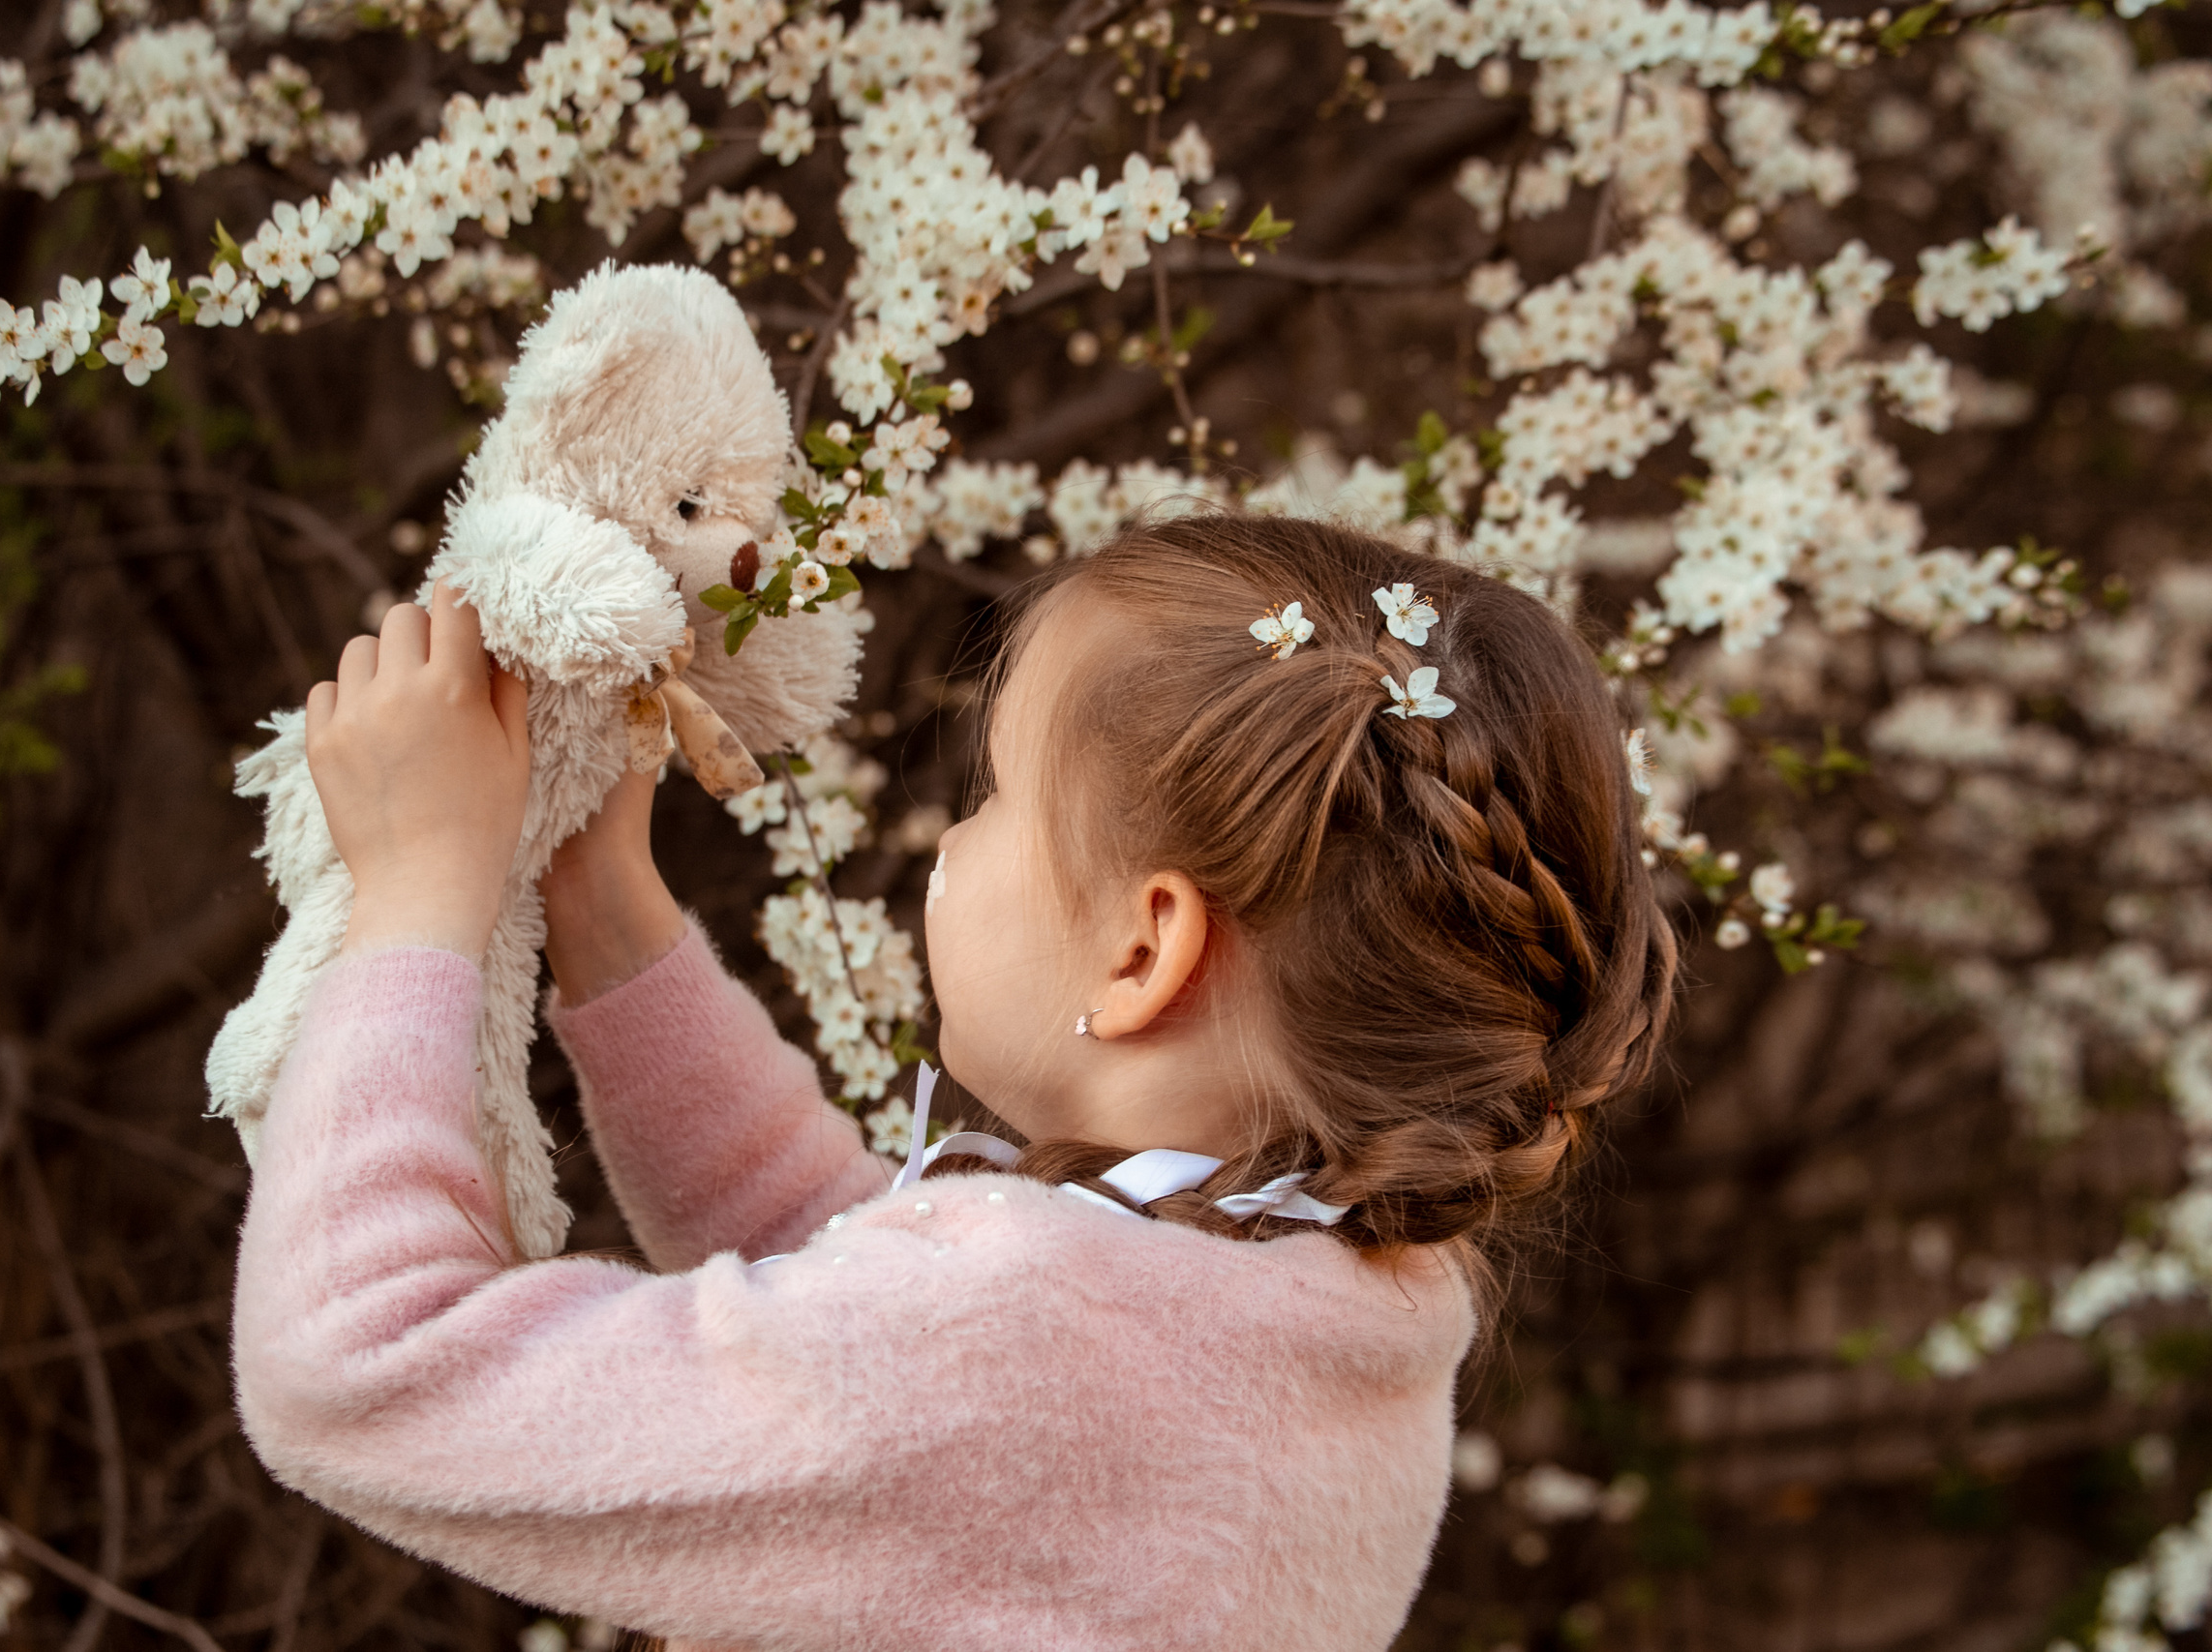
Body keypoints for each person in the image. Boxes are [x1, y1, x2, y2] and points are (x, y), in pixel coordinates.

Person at [229, 512, 1679, 1650]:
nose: (955, 838)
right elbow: (838, 1267)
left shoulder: (995, 1349)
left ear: (1142, 949)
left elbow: (360, 1361)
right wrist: (604, 904)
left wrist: (421, 886)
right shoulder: (1339, 1301)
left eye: (992, 797)